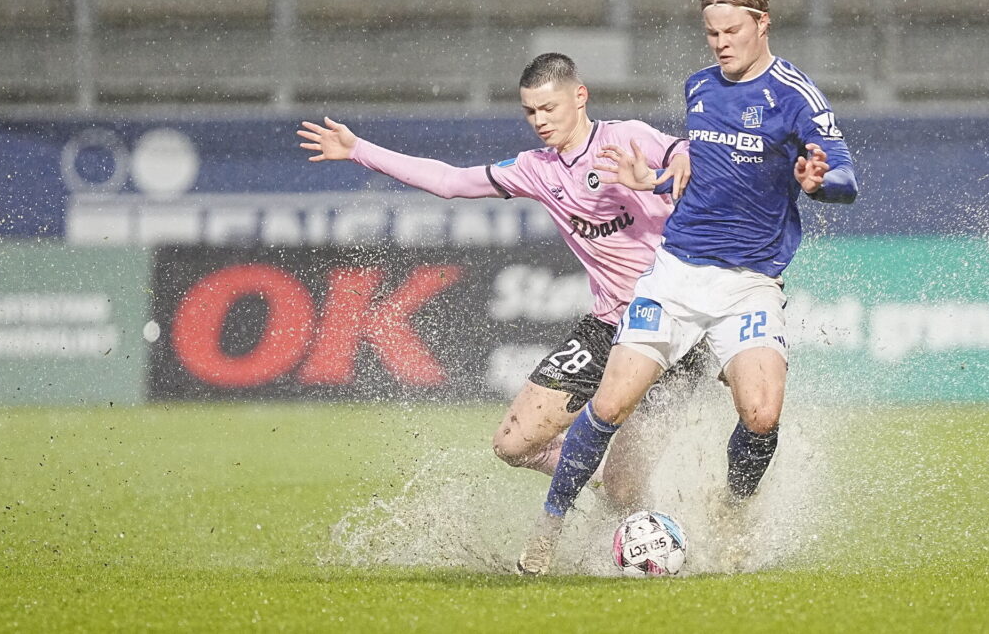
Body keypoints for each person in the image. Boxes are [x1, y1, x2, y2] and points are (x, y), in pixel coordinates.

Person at [516, 0, 858, 575]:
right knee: (609, 406)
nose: (720, 43)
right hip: (674, 274)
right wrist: (653, 182)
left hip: (750, 284)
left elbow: (845, 178)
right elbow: (701, 172)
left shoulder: (796, 96)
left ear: (762, 23)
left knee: (760, 413)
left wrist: (819, 181)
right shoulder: (698, 87)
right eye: (711, 33)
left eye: (730, 31)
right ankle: (547, 532)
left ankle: (733, 511)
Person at [297, 53, 711, 510]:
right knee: (513, 445)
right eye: (530, 112)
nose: (539, 121)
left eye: (549, 109)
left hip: (673, 327)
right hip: (609, 326)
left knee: (626, 491)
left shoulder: (626, 137)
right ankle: (594, 472)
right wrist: (359, 150)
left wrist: (657, 177)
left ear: (580, 96)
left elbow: (689, 154)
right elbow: (451, 181)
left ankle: (657, 520)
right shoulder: (538, 168)